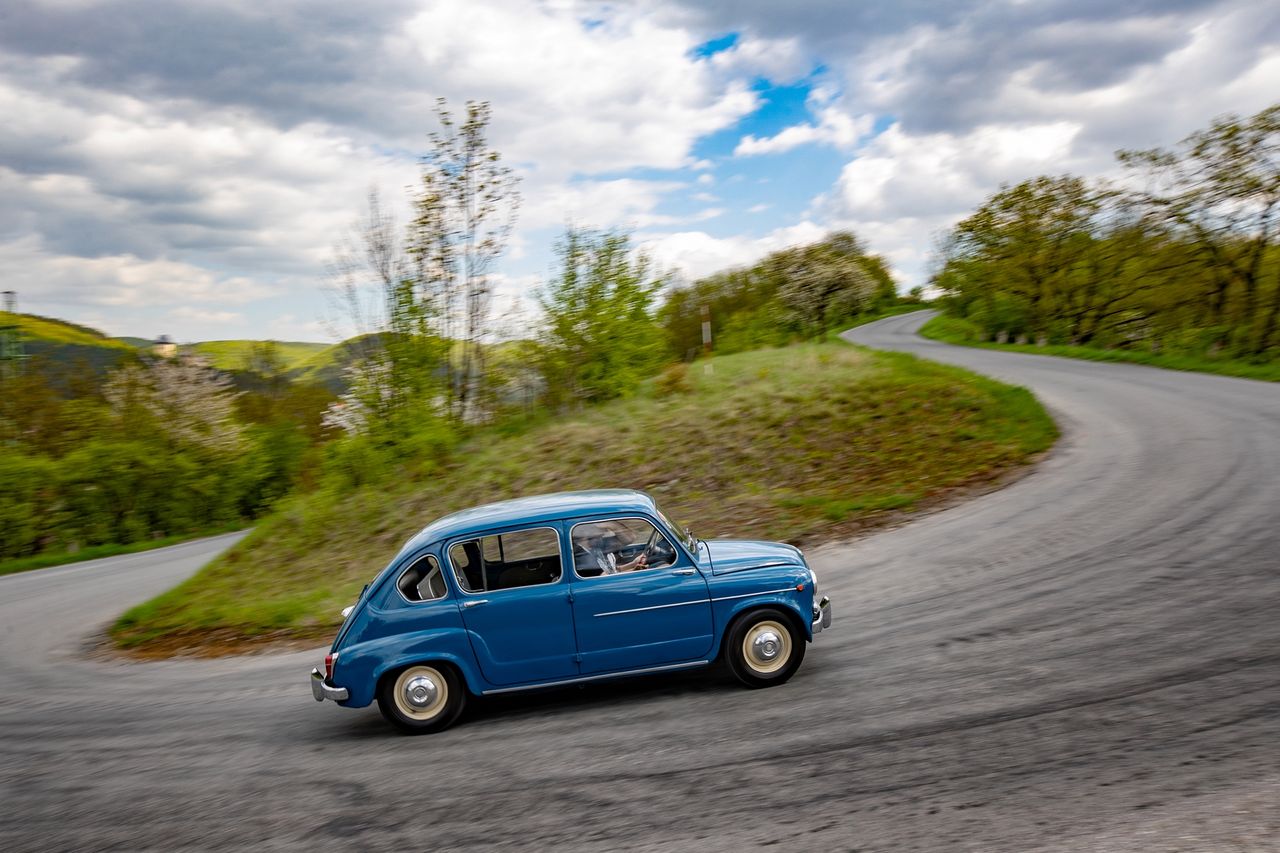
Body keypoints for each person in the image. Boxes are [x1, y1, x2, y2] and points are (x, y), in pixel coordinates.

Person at [573, 524, 648, 575]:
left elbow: (613, 571)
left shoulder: (595, 545)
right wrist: (634, 571)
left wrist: (633, 563)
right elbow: (605, 581)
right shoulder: (581, 556)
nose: (604, 533)